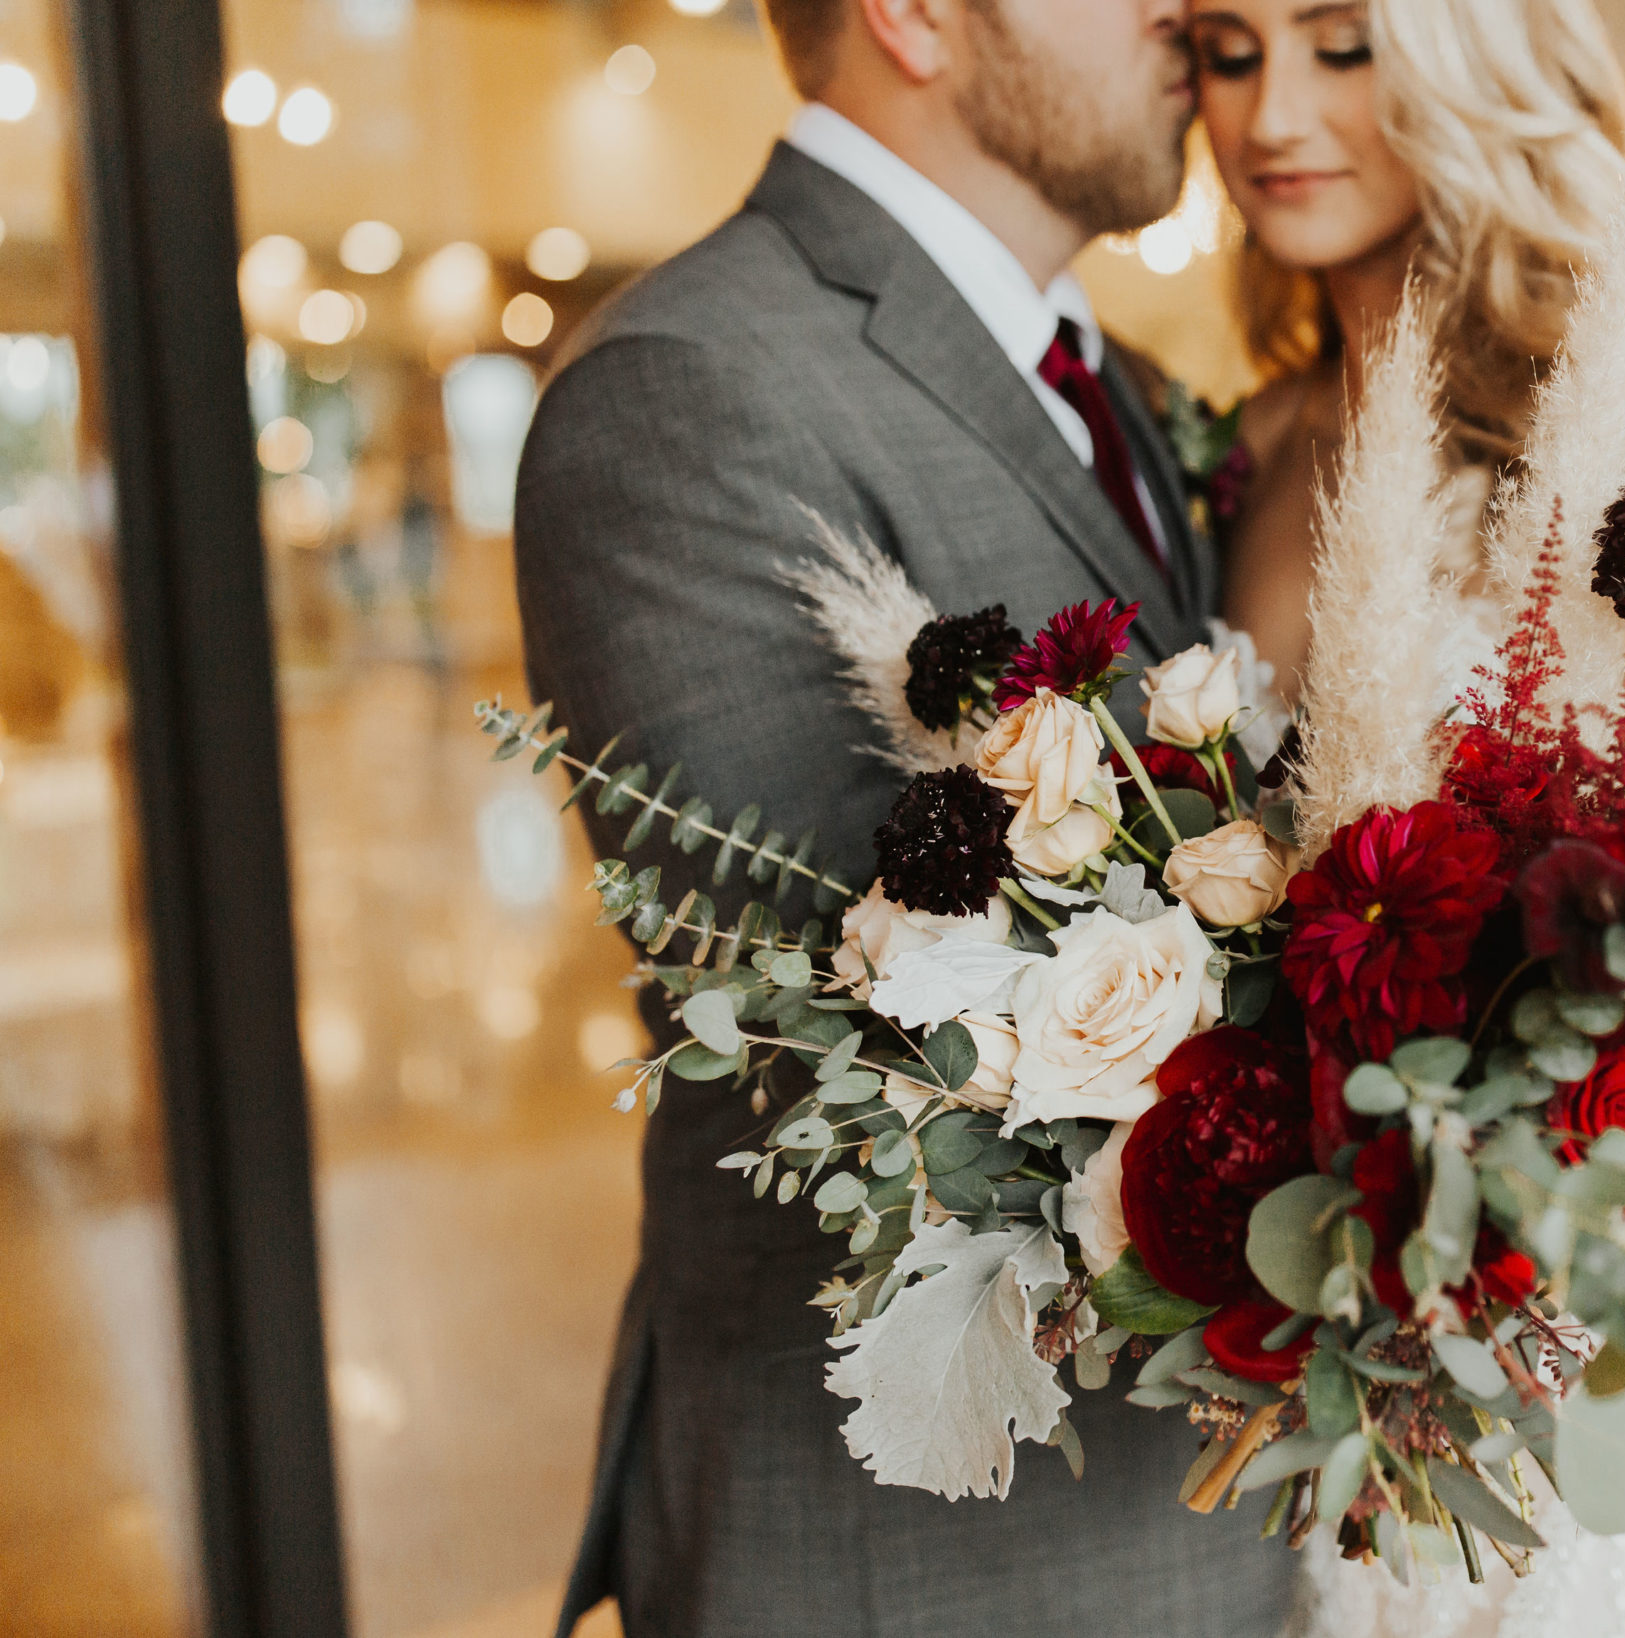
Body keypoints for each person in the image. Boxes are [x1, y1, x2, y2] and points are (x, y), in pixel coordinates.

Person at [510, 2, 1297, 1634]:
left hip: (1192, 1515)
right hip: (923, 1563)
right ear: (915, 15)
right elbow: (864, 1047)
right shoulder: (686, 389)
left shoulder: (1118, 376)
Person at [1186, 2, 1625, 1633]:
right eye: (1228, 46)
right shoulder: (1262, 448)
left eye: (1343, 42)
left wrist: (1567, 1222)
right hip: (1366, 1345)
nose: (1273, 107)